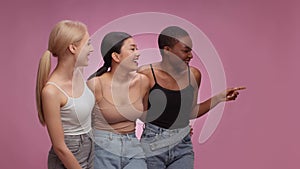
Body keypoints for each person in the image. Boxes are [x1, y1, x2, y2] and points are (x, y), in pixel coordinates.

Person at [138, 26, 246, 169]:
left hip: (183, 147)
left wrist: (219, 98)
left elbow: (191, 112)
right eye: (185, 50)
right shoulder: (146, 74)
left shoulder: (194, 75)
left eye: (191, 50)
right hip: (153, 144)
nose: (191, 55)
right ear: (167, 51)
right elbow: (140, 114)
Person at [35, 20, 95, 169]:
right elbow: (60, 148)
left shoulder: (79, 73)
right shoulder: (51, 91)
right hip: (69, 157)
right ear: (73, 48)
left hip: (90, 149)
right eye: (88, 44)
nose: (92, 49)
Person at [87, 32, 149, 169]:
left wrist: (176, 125)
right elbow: (82, 124)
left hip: (133, 146)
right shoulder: (95, 85)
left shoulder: (143, 82)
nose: (138, 53)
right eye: (132, 49)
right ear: (116, 56)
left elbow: (146, 116)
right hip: (102, 148)